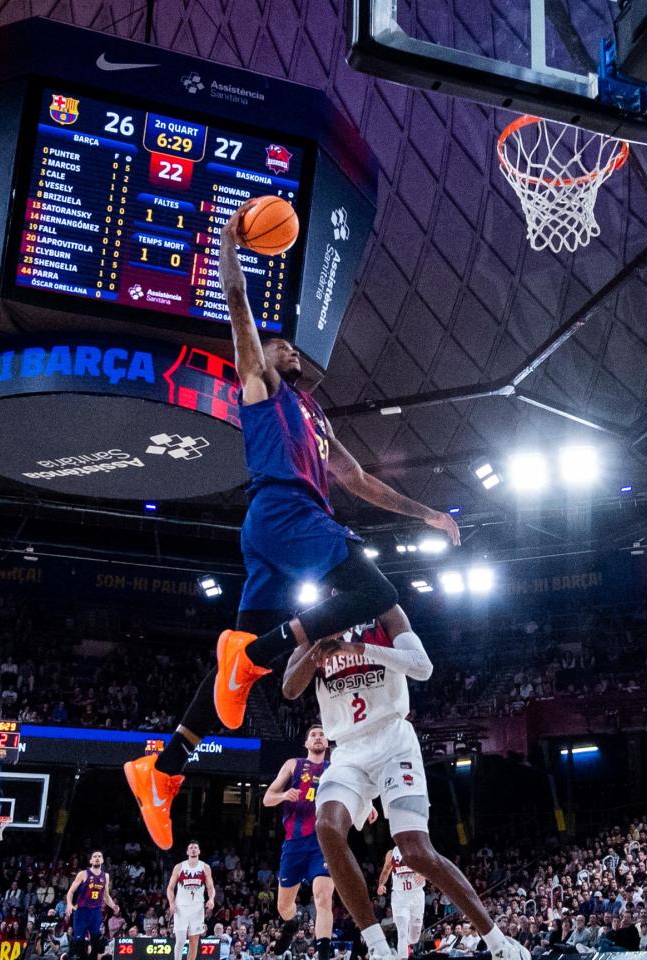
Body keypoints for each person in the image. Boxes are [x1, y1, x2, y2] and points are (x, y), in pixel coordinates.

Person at [124, 200, 461, 850]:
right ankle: (249, 656)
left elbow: (359, 482)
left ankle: (162, 772)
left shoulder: (315, 416)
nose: (287, 348)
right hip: (288, 513)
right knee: (376, 596)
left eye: (286, 344)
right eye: (280, 343)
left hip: (279, 531)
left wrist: (428, 513)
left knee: (231, 684)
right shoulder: (261, 387)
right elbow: (237, 305)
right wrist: (228, 243)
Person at [282, 606, 527, 960]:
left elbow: (422, 667)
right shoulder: (314, 624)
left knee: (415, 850)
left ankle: (497, 942)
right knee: (327, 827)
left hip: (394, 741)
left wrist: (359, 650)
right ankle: (379, 949)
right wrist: (319, 644)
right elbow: (290, 688)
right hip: (348, 751)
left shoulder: (385, 611)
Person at [262, 726, 348, 959]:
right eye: (313, 735)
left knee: (323, 896)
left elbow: (354, 791)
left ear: (327, 743)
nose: (318, 737)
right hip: (294, 843)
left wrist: (367, 806)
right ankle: (292, 923)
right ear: (306, 743)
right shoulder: (293, 764)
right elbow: (267, 798)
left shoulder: (336, 767)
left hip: (324, 842)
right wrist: (283, 795)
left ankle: (322, 955)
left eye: (322, 735)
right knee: (283, 907)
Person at [66, 851, 120, 960]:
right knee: (79, 943)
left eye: (99, 856)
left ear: (102, 860)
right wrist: (69, 904)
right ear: (90, 860)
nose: (97, 858)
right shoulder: (83, 874)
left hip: (96, 912)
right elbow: (71, 891)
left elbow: (106, 896)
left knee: (96, 943)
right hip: (82, 911)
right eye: (94, 856)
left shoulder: (106, 876)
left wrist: (113, 905)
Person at [167, 841, 216, 960]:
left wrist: (211, 899)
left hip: (197, 907)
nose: (193, 849)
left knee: (194, 942)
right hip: (181, 907)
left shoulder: (205, 867)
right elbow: (170, 888)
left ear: (199, 851)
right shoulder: (179, 867)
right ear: (187, 852)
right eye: (191, 848)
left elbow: (210, 887)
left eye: (195, 848)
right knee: (181, 940)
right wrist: (171, 903)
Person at [377, 846, 426, 958]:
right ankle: (402, 955)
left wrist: (424, 875)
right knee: (402, 932)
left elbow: (430, 865)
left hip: (416, 895)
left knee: (414, 938)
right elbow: (385, 870)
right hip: (399, 897)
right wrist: (381, 884)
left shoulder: (418, 848)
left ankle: (405, 945)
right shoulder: (391, 853)